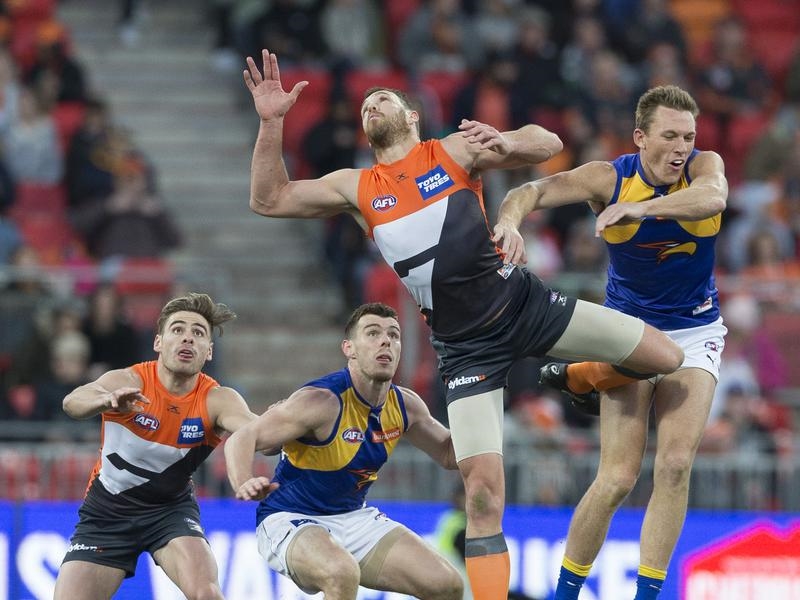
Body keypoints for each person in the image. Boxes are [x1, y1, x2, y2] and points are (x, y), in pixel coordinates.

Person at [242, 49, 684, 600]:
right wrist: (271, 122)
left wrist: (506, 142)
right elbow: (268, 199)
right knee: (481, 494)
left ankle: (576, 376)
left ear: (412, 117)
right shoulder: (356, 187)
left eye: (384, 98)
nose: (371, 105)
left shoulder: (450, 150)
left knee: (666, 358)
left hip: (524, 305)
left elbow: (548, 143)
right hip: (467, 349)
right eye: (366, 104)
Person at [495, 85, 727, 599]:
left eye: (688, 137)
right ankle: (565, 593)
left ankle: (648, 594)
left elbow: (714, 197)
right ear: (640, 137)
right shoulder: (609, 177)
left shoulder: (704, 167)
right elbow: (530, 191)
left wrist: (641, 211)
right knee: (617, 477)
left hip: (695, 329)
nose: (681, 148)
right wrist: (509, 222)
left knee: (674, 465)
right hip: (630, 330)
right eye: (669, 136)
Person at [224, 302, 464, 600]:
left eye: (393, 335)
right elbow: (242, 437)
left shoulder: (406, 405)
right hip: (290, 517)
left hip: (354, 517)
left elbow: (450, 454)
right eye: (373, 333)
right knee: (341, 573)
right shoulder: (320, 401)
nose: (385, 341)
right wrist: (243, 480)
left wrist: (481, 401)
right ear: (349, 348)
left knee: (447, 585)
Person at [53, 292, 256, 600]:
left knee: (207, 594)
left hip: (169, 511)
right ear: (158, 342)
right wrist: (106, 400)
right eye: (178, 329)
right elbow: (72, 402)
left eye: (198, 333)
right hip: (107, 512)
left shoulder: (218, 400)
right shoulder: (129, 381)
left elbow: (259, 433)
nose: (187, 338)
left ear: (209, 351)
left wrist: (295, 425)